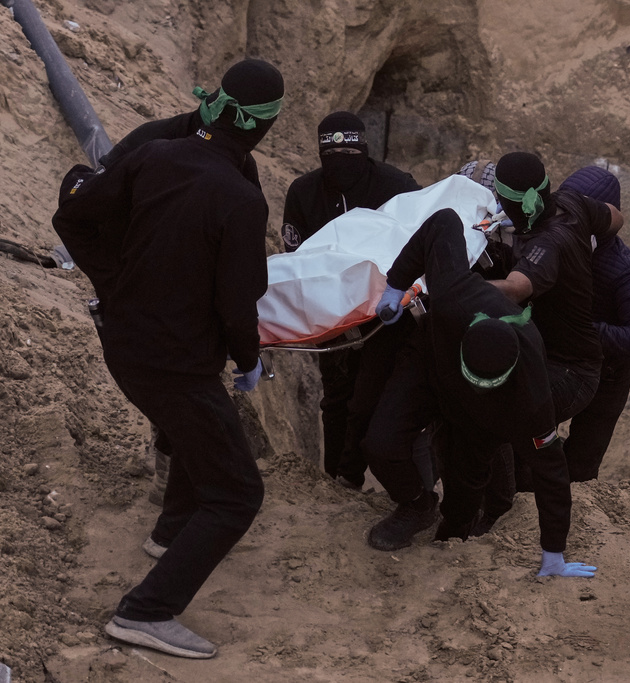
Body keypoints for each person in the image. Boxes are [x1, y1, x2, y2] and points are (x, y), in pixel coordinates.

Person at [52, 58, 284, 658]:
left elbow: (74, 210)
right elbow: (238, 302)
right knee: (238, 494)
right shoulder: (240, 199)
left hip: (124, 340)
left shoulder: (154, 156)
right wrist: (249, 357)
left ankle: (170, 532)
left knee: (195, 432)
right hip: (175, 363)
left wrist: (113, 279)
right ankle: (145, 612)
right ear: (265, 127)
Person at [362, 208, 598, 578]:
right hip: (430, 366)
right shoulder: (456, 293)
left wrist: (553, 552)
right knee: (381, 443)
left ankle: (450, 539)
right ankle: (416, 505)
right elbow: (444, 221)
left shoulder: (531, 397)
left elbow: (552, 471)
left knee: (467, 483)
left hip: (483, 419)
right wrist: (396, 284)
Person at [471, 152, 623, 535]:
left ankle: (500, 510)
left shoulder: (546, 243)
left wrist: (457, 288)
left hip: (570, 371)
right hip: (571, 358)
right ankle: (513, 495)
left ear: (505, 202)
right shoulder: (573, 204)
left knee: (494, 414)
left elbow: (519, 287)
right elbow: (615, 216)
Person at [280, 111, 420, 490]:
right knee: (336, 399)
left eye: (350, 152)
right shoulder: (304, 193)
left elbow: (420, 242)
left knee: (372, 399)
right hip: (330, 316)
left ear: (364, 149)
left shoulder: (397, 186)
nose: (342, 162)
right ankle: (336, 482)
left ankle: (371, 479)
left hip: (385, 316)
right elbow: (297, 261)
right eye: (333, 153)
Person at [557, 166, 630, 481]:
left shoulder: (624, 269)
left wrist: (586, 331)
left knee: (580, 469)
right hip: (558, 364)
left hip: (607, 377)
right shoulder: (559, 244)